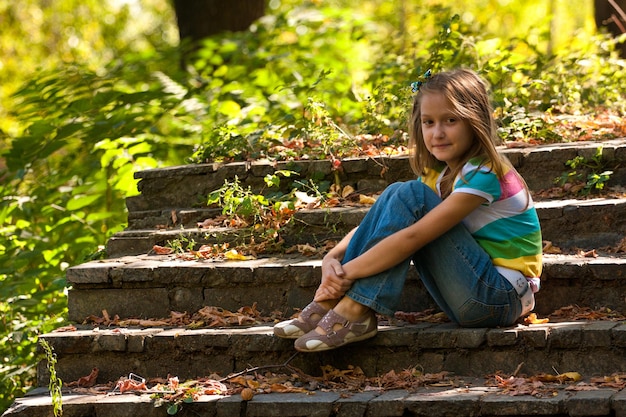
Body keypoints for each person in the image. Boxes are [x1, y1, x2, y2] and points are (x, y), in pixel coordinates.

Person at [274, 68, 543, 353]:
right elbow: (384, 224)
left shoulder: (486, 172)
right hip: (469, 292)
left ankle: (352, 307)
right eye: (428, 122)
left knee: (408, 195)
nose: (437, 132)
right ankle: (339, 307)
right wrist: (333, 256)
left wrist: (344, 275)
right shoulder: (437, 175)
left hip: (499, 298)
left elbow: (413, 237)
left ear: (474, 121)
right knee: (399, 194)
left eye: (450, 120)